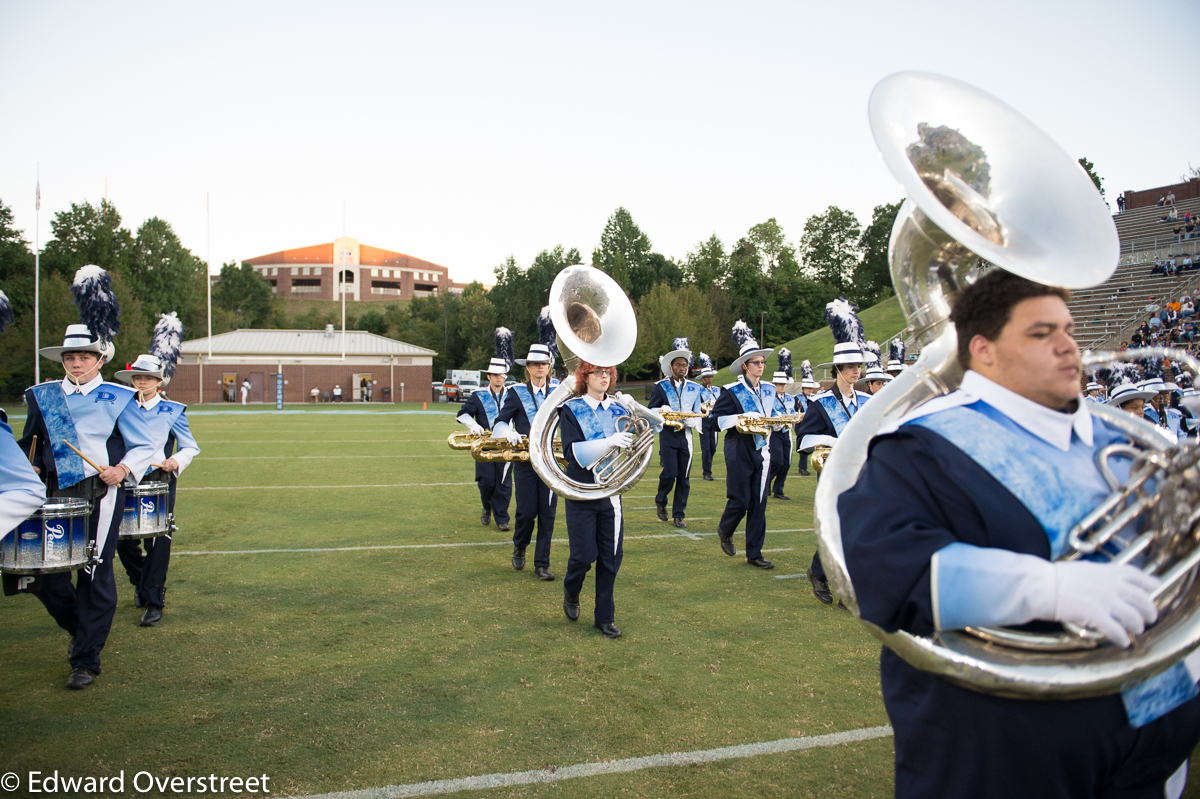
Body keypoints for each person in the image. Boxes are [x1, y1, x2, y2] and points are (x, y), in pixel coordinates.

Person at [839, 270, 1200, 799]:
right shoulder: (923, 444)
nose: (1068, 346)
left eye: (1070, 331)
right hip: (1008, 746)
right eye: (1040, 333)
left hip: (1152, 729)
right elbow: (885, 568)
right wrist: (1047, 588)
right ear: (982, 349)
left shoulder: (1117, 435)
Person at [16, 290, 156, 689]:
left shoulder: (120, 396)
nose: (76, 363)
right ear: (62, 360)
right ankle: (83, 631)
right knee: (46, 577)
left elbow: (144, 444)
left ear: (98, 360)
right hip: (53, 495)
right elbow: (30, 447)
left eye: (84, 357)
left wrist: (122, 468)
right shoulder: (42, 395)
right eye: (70, 357)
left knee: (94, 571)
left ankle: (86, 659)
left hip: (101, 493)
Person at [557, 359, 654, 639]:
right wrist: (610, 442)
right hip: (582, 491)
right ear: (584, 376)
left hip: (611, 492)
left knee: (610, 558)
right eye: (598, 372)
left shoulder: (619, 408)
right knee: (583, 557)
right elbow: (574, 452)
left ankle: (604, 618)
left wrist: (637, 408)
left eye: (608, 373)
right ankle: (572, 591)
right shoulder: (572, 410)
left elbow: (652, 429)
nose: (604, 377)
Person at [112, 344, 200, 628]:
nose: (142, 381)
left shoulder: (172, 410)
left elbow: (190, 446)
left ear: (159, 381)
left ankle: (153, 599)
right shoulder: (119, 407)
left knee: (158, 541)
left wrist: (175, 460)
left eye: (148, 378)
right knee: (122, 540)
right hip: (124, 479)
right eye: (138, 377)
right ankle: (139, 581)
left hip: (158, 481)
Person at [796, 299, 871, 605]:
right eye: (852, 366)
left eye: (859, 366)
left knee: (857, 527)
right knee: (838, 527)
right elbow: (803, 436)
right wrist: (835, 442)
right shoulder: (822, 403)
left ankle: (843, 585)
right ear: (839, 368)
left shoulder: (867, 401)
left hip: (862, 471)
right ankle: (819, 571)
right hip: (831, 470)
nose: (857, 371)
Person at [709, 321, 776, 570]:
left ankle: (754, 553)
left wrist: (778, 423)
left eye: (762, 362)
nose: (761, 366)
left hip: (762, 448)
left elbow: (774, 413)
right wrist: (740, 419)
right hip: (739, 447)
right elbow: (713, 421)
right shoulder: (731, 391)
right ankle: (725, 529)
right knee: (740, 499)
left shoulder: (769, 390)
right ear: (745, 366)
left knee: (759, 502)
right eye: (756, 363)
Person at [492, 343, 560, 581]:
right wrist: (506, 432)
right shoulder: (516, 392)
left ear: (549, 367)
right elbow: (499, 422)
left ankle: (542, 563)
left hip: (552, 462)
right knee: (526, 512)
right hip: (525, 461)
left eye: (543, 363)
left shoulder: (560, 391)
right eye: (535, 364)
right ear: (528, 368)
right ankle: (520, 546)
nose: (540, 367)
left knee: (547, 514)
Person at [647, 339, 703, 528]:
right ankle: (661, 499)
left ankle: (679, 514)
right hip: (668, 434)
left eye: (685, 365)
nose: (682, 368)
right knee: (670, 473)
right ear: (671, 367)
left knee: (684, 477)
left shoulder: (695, 388)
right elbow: (651, 410)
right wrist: (662, 411)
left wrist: (693, 421)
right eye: (678, 365)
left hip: (686, 436)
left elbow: (698, 411)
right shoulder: (660, 386)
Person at [457, 346, 513, 532]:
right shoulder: (478, 395)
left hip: (507, 446)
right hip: (485, 447)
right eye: (495, 375)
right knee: (487, 482)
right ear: (488, 376)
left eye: (502, 374)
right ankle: (487, 507)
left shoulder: (514, 395)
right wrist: (473, 425)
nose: (499, 378)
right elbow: (463, 414)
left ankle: (502, 518)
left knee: (504, 483)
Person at [767, 371, 798, 500]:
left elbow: (794, 411)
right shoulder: (770, 398)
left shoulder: (791, 398)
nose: (783, 386)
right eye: (780, 384)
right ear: (774, 385)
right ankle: (766, 482)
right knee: (777, 460)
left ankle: (778, 489)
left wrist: (794, 416)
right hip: (775, 431)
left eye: (784, 384)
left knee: (786, 462)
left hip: (787, 431)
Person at [695, 357, 722, 481]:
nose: (709, 379)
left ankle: (708, 466)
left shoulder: (717, 390)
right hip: (704, 419)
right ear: (703, 379)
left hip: (714, 419)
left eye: (710, 377)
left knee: (713, 446)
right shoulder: (698, 390)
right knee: (706, 446)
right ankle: (707, 471)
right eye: (707, 377)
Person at [794, 360, 821, 477]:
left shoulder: (815, 398)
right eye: (808, 388)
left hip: (811, 423)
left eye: (811, 388)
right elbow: (794, 411)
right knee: (804, 445)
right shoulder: (797, 398)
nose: (810, 390)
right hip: (801, 423)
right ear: (804, 388)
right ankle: (802, 467)